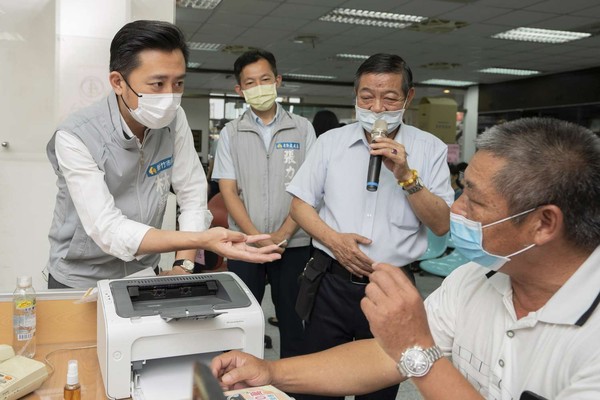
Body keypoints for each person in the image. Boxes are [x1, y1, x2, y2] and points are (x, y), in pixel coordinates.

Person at [211, 117, 600, 399]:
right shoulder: (473, 280)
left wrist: (419, 351)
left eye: (474, 201)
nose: (457, 210)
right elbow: (383, 356)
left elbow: (410, 351)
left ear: (543, 223)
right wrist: (271, 370)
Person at [45, 20, 280, 289]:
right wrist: (201, 240)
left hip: (144, 272)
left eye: (178, 83)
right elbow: (107, 229)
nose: (170, 97)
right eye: (157, 84)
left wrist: (184, 264)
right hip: (80, 277)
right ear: (118, 82)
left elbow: (191, 192)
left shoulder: (174, 119)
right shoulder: (75, 136)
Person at [284, 53, 453, 400]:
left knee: (378, 388)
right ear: (355, 96)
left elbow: (441, 224)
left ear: (408, 98)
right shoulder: (330, 142)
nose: (376, 108)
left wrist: (407, 177)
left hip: (392, 288)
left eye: (389, 98)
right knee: (317, 383)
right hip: (329, 280)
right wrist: (336, 241)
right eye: (366, 97)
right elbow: (300, 205)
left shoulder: (430, 149)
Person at [211, 49, 317, 358]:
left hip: (295, 244)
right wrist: (256, 237)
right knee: (241, 323)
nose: (259, 87)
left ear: (278, 81)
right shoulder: (231, 133)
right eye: (250, 82)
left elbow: (309, 188)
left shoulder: (302, 128)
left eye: (265, 79)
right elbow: (228, 190)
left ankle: (295, 390)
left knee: (295, 324)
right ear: (239, 90)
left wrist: (282, 235)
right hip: (245, 244)